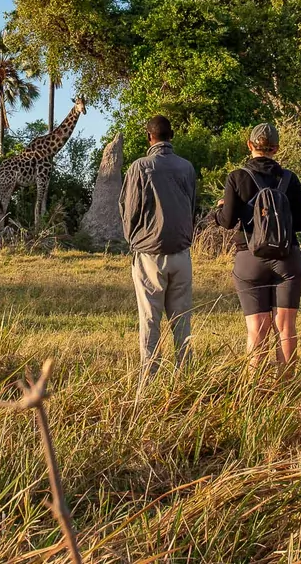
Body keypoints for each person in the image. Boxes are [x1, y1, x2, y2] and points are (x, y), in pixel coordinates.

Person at [214, 123, 301, 378]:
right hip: (287, 258)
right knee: (286, 328)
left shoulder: (237, 177)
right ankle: (287, 390)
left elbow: (227, 221)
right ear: (276, 148)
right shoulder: (290, 179)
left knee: (256, 328)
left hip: (249, 258)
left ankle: (253, 390)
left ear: (249, 145)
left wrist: (219, 209)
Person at [121, 115, 199, 395]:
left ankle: (148, 385)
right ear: (172, 135)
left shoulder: (140, 166)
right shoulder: (187, 168)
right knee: (182, 323)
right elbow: (192, 207)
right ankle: (187, 383)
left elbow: (129, 211)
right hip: (182, 252)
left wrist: (134, 240)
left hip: (149, 253)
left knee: (150, 321)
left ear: (149, 137)